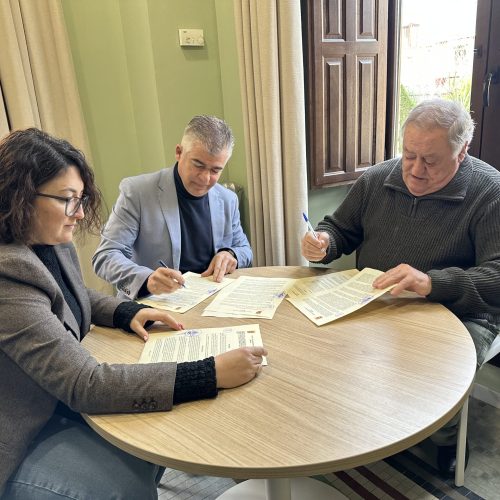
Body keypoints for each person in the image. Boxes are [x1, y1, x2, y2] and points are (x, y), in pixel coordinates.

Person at [0, 128, 266, 499]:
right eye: (67, 200)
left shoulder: (47, 239)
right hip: (25, 425)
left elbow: (71, 297)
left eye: (80, 199)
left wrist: (128, 311)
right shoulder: (8, 274)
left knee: (154, 431)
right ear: (20, 198)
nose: (79, 214)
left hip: (58, 393)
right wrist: (208, 374)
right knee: (126, 486)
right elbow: (84, 384)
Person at [301, 98, 500, 478]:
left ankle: (447, 438)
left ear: (462, 153)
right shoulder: (379, 178)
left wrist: (432, 282)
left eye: (430, 160)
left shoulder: (490, 192)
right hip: (380, 297)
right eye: (409, 154)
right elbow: (341, 228)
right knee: (319, 349)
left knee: (434, 379)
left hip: (462, 310)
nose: (415, 169)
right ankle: (359, 425)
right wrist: (324, 241)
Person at [92, 115, 252, 300]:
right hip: (153, 303)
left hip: (211, 299)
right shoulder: (137, 192)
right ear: (178, 152)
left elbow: (244, 249)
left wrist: (230, 253)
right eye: (198, 165)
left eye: (215, 170)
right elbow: (105, 256)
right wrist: (147, 279)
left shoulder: (228, 199)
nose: (205, 178)